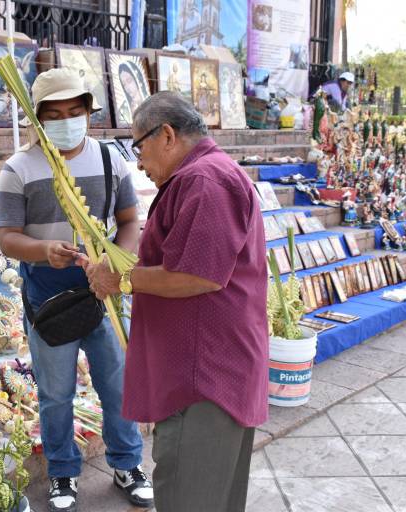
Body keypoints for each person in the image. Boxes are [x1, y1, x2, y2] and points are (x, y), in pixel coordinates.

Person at [82, 91, 269, 512]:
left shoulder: (205, 180)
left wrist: (121, 279)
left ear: (165, 135)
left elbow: (196, 275)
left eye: (139, 146)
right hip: (207, 370)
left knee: (191, 494)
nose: (140, 162)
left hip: (203, 380)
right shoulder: (203, 176)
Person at [0, 67, 154, 512]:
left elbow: (128, 223)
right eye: (55, 114)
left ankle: (128, 463)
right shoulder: (18, 169)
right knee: (56, 393)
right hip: (48, 298)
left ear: (88, 112)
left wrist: (114, 266)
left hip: (102, 293)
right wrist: (44, 249)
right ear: (38, 119)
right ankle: (63, 473)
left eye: (75, 111)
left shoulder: (109, 161)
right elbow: (7, 238)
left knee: (117, 386)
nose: (67, 120)